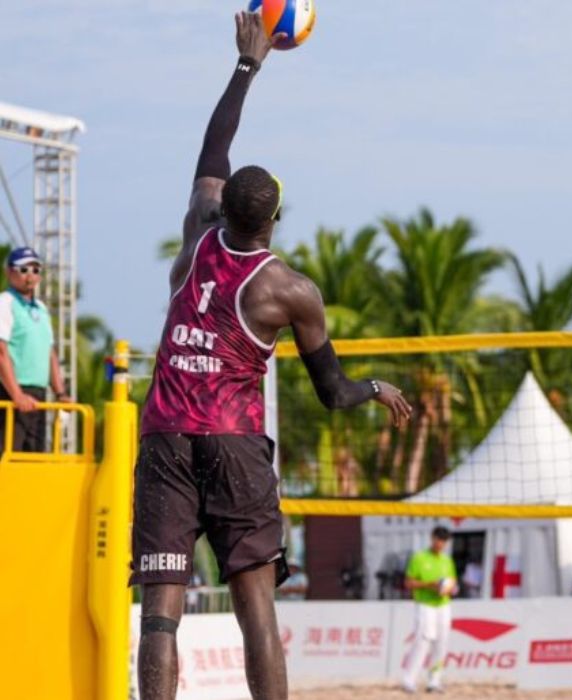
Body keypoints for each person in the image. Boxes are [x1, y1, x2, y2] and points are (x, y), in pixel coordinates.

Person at [131, 13, 411, 700]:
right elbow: (333, 391)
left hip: (166, 435)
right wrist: (376, 387)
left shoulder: (198, 236)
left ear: (223, 209)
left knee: (161, 612)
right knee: (255, 606)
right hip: (232, 446)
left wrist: (247, 66)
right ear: (275, 219)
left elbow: (211, 150)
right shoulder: (290, 292)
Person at [0, 246, 65, 453]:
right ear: (9, 272)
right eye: (24, 269)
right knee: (9, 455)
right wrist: (17, 395)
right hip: (11, 392)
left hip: (38, 395)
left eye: (36, 270)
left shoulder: (41, 308)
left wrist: (60, 392)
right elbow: (1, 352)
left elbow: (49, 352)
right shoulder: (5, 303)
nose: (30, 276)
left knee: (35, 456)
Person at [401, 526, 458, 693]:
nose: (440, 543)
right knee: (422, 641)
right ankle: (409, 680)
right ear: (432, 538)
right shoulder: (419, 558)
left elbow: (453, 582)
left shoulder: (447, 560)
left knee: (442, 641)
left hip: (443, 604)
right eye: (438, 539)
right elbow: (408, 583)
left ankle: (434, 681)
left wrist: (451, 588)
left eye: (444, 541)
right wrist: (430, 585)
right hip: (425, 604)